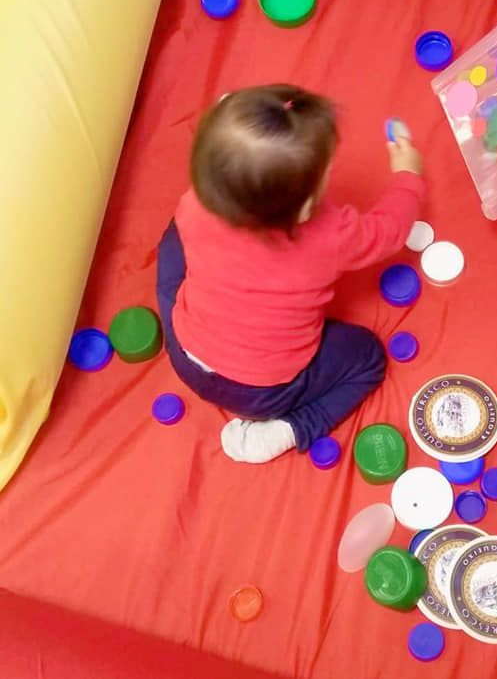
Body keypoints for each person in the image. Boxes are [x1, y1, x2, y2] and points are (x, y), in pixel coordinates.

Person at [155, 84, 425, 464]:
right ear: (301, 212)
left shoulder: (196, 203)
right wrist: (407, 178)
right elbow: (389, 230)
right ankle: (294, 427)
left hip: (183, 350)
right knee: (367, 358)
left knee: (172, 244)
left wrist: (233, 134)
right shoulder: (332, 234)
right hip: (263, 393)